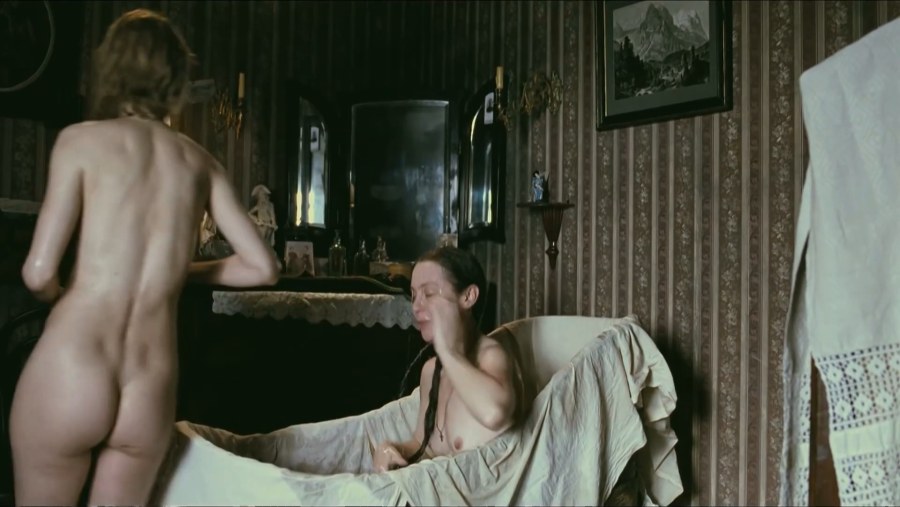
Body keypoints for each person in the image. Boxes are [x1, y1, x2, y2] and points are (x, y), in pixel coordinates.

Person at [10, 9, 279, 506]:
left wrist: (64, 293)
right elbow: (263, 267)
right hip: (149, 389)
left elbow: (38, 272)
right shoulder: (199, 161)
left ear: (111, 68)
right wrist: (177, 274)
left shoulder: (81, 141)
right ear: (175, 79)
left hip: (73, 367)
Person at [372, 247, 533, 472]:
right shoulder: (431, 371)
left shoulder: (492, 356)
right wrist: (393, 449)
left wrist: (447, 351)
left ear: (468, 296)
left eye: (429, 293)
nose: (416, 307)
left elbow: (494, 413)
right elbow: (422, 445)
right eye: (414, 295)